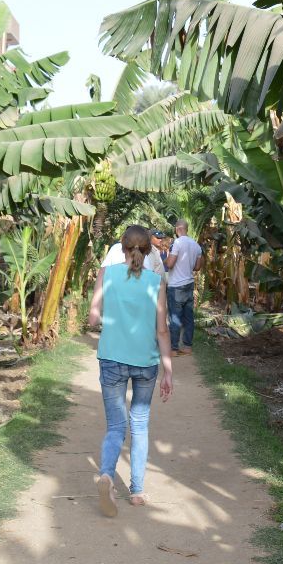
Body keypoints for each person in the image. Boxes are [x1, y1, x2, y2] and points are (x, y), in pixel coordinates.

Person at [86, 224, 173, 516]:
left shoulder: (106, 274)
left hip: (111, 358)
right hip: (145, 363)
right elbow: (162, 330)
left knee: (115, 426)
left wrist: (101, 319)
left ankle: (107, 475)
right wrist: (168, 370)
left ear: (122, 247)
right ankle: (136, 491)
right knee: (139, 423)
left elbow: (92, 317)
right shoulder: (156, 281)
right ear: (150, 250)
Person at [164, 219, 203, 355]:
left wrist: (166, 258)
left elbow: (170, 264)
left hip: (176, 286)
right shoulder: (196, 245)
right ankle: (187, 347)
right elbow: (197, 267)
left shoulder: (178, 243)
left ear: (177, 229)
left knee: (174, 317)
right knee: (188, 317)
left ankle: (174, 348)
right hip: (189, 284)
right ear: (186, 228)